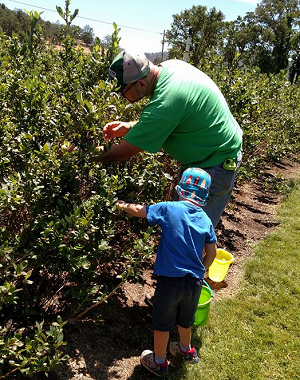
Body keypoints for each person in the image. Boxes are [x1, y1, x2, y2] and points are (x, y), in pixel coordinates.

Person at [98, 50, 243, 228]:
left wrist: (79, 154)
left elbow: (120, 153)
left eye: (123, 92)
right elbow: (175, 117)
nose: (122, 97)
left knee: (191, 233)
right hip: (209, 156)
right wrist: (129, 126)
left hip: (215, 164)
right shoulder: (171, 67)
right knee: (181, 226)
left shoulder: (166, 101)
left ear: (141, 84)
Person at [115, 167, 217, 376]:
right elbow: (212, 254)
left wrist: (120, 204)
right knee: (186, 319)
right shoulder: (206, 219)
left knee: (162, 323)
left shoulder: (170, 208)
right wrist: (201, 270)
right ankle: (186, 350)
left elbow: (139, 210)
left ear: (180, 190)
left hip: (170, 281)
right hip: (194, 282)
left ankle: (159, 362)